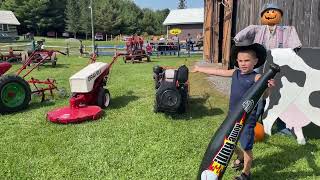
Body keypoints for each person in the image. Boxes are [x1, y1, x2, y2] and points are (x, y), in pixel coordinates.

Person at [192, 43, 275, 180]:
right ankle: (240, 156)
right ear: (237, 61)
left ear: (255, 61)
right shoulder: (235, 73)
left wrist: (268, 88)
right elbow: (218, 72)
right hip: (232, 117)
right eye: (240, 60)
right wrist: (199, 68)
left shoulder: (257, 78)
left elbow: (264, 96)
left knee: (246, 146)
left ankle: (246, 173)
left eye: (247, 60)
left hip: (247, 119)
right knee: (227, 142)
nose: (243, 63)